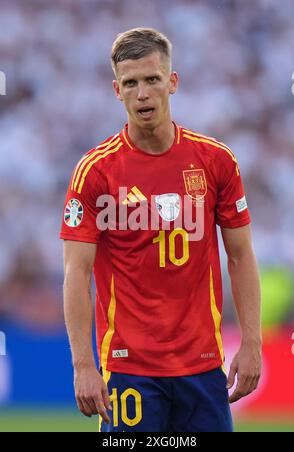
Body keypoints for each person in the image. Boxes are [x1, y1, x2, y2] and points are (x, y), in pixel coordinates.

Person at [60, 28, 262, 432]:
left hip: (203, 367)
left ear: (172, 82)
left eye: (152, 79)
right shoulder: (96, 172)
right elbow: (76, 272)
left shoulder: (215, 161)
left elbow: (240, 255)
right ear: (117, 90)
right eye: (130, 83)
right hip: (128, 369)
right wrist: (84, 365)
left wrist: (252, 343)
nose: (142, 93)